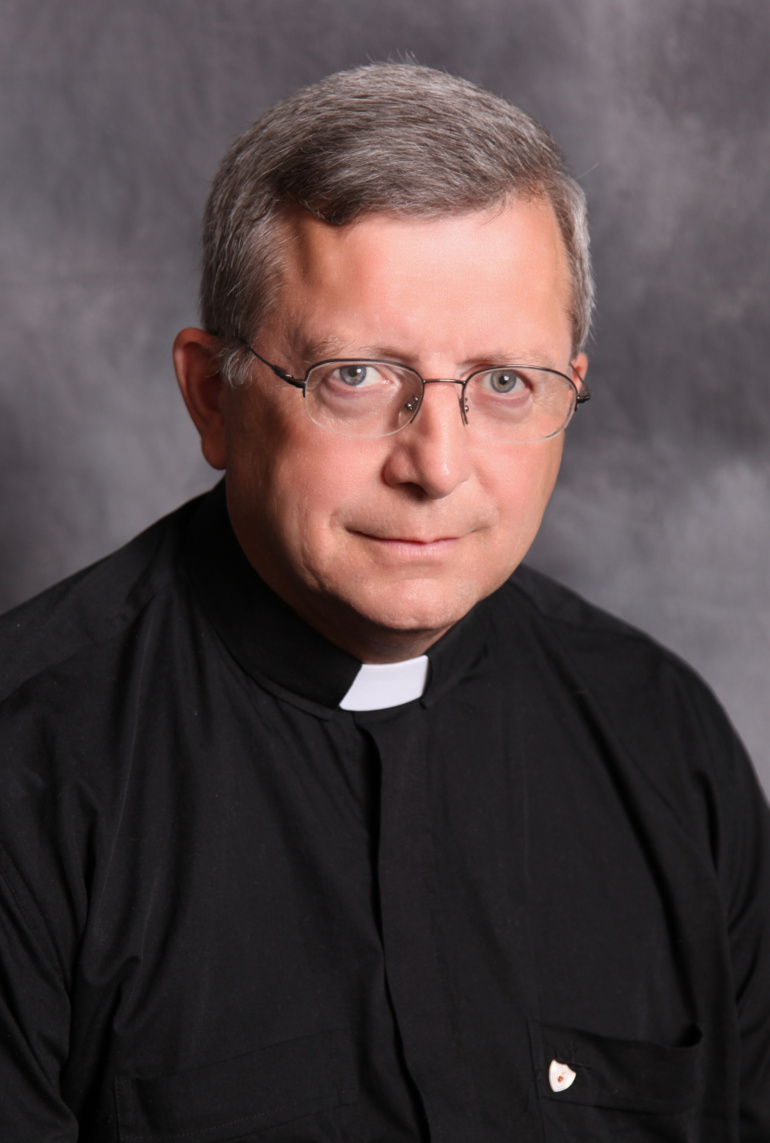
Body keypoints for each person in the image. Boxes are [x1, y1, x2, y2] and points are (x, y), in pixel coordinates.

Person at [0, 62, 768, 1143]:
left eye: (505, 382)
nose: (437, 465)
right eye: (355, 376)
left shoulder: (661, 737)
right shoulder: (27, 772)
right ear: (211, 398)